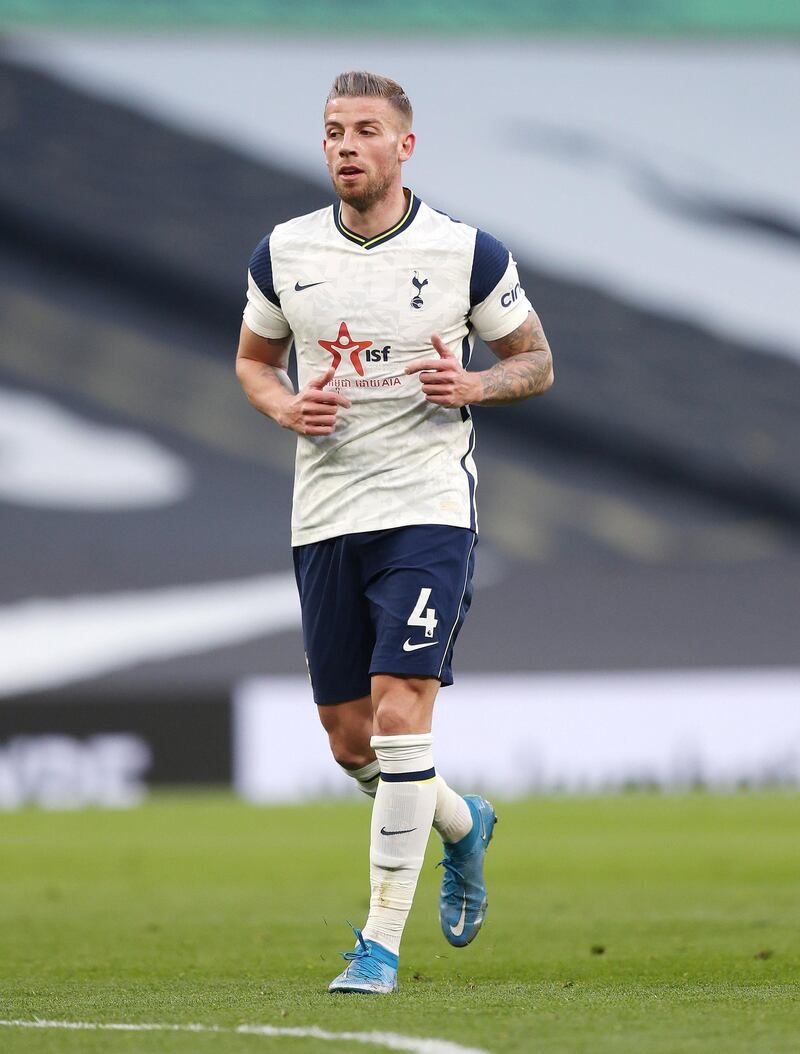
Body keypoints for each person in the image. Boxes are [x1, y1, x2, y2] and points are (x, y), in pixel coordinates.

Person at [235, 70, 553, 995]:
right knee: (350, 740)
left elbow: (533, 358)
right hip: (327, 516)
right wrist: (288, 406)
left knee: (401, 709)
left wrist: (478, 385)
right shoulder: (284, 252)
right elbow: (254, 362)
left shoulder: (464, 252)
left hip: (425, 509)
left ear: (403, 146)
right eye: (334, 130)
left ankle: (377, 946)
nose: (345, 145)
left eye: (365, 130)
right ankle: (462, 824)